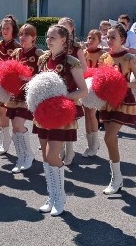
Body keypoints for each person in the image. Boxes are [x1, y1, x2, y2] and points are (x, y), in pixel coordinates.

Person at [33, 25, 88, 216]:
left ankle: (60, 196)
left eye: (52, 37)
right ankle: (52, 196)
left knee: (52, 155)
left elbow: (83, 90)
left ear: (63, 40)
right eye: (47, 37)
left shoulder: (71, 61)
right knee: (44, 156)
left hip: (61, 114)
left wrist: (61, 98)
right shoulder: (43, 59)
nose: (48, 40)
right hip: (43, 114)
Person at [98, 24, 136, 194]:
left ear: (122, 39)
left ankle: (116, 178)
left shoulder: (129, 58)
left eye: (113, 37)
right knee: (110, 139)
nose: (109, 40)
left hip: (123, 100)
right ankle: (117, 178)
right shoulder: (104, 57)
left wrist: (123, 84)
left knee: (109, 137)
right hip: (107, 100)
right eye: (107, 37)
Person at [6, 23, 43, 173]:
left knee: (18, 124)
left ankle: (28, 155)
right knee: (15, 128)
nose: (23, 37)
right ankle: (21, 156)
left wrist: (29, 78)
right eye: (21, 34)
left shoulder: (39, 53)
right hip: (15, 94)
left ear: (33, 37)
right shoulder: (15, 53)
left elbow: (44, 75)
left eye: (26, 35)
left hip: (29, 95)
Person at [57, 17, 87, 165]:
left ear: (71, 29)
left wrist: (74, 72)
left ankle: (70, 150)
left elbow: (84, 67)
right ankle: (60, 148)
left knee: (69, 120)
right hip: (57, 86)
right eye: (59, 25)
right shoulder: (55, 45)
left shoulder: (75, 47)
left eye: (65, 27)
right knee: (58, 120)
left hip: (71, 85)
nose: (62, 28)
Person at [0, 15, 21, 156]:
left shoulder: (17, 47)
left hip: (11, 85)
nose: (5, 31)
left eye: (8, 28)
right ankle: (3, 140)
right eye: (3, 28)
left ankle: (13, 141)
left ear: (13, 29)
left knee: (8, 113)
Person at [82, 29, 106, 156]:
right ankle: (90, 144)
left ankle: (95, 143)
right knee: (86, 114)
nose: (90, 41)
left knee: (91, 113)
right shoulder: (84, 53)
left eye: (93, 39)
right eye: (89, 38)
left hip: (95, 86)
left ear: (99, 41)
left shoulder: (103, 54)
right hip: (85, 85)